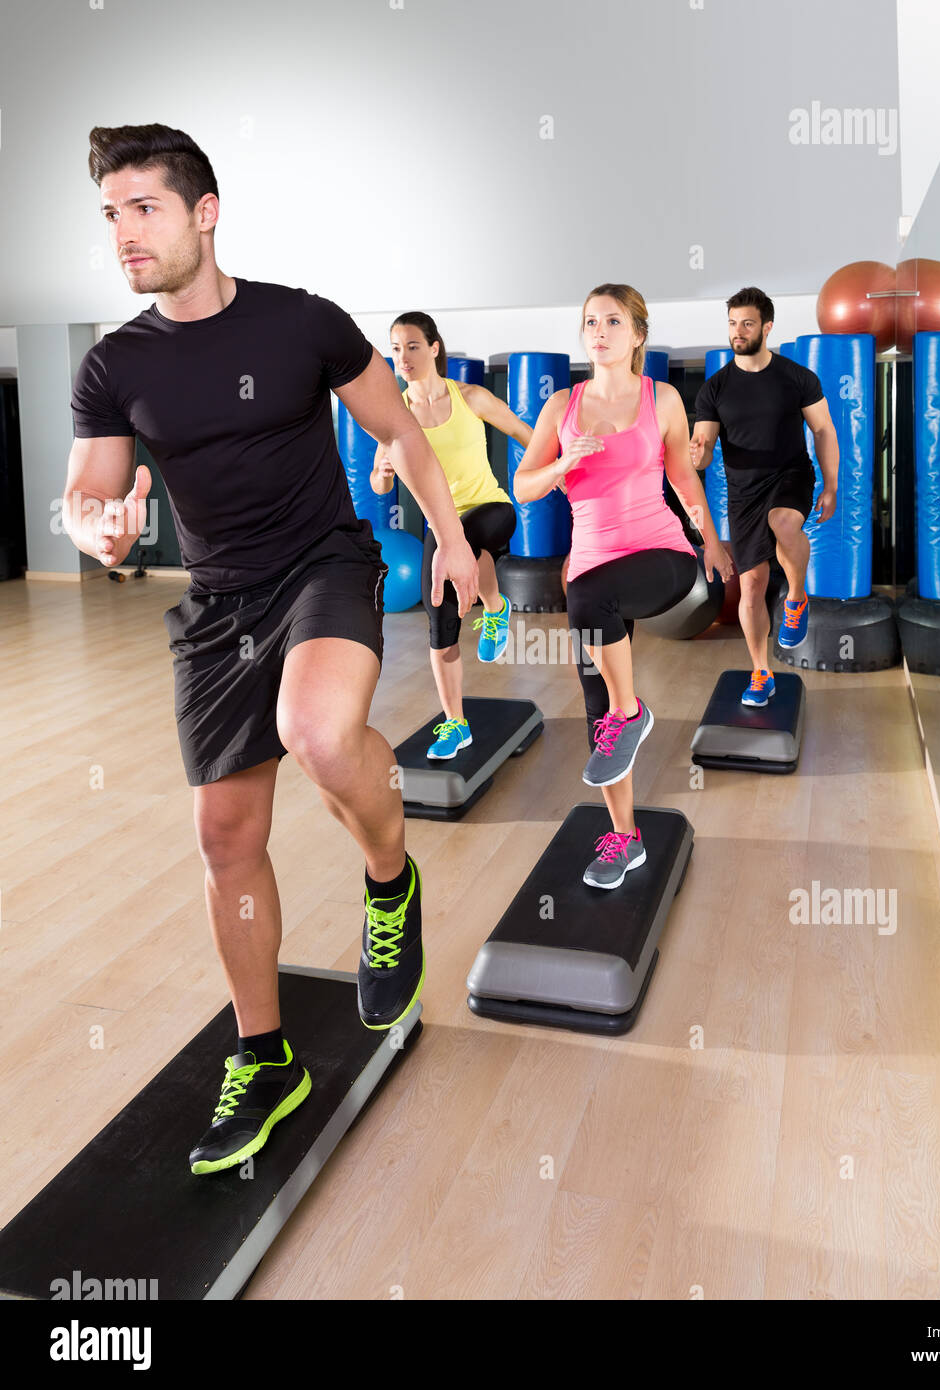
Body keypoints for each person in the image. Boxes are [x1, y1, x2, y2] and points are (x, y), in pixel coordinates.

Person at [62, 123, 479, 1175]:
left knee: (318, 732)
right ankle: (266, 1053)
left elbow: (401, 435)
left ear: (205, 212)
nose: (124, 234)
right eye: (112, 214)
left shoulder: (303, 323)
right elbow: (92, 496)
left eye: (144, 208)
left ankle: (390, 882)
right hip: (218, 606)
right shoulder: (115, 364)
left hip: (323, 566)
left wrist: (454, 541)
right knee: (224, 836)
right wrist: (96, 532)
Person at [514, 283, 733, 888]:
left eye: (612, 321)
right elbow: (523, 485)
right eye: (590, 322)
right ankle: (623, 835)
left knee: (587, 601)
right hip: (593, 562)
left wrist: (710, 539)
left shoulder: (662, 399)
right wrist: (562, 463)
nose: (599, 331)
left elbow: (684, 478)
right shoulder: (561, 406)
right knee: (597, 714)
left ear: (638, 334)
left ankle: (631, 710)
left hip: (660, 553)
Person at [371, 313, 531, 757]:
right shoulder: (395, 417)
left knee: (470, 535)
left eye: (413, 346)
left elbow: (523, 432)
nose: (403, 357)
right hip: (441, 532)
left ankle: (496, 607)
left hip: (491, 510)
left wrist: (553, 470)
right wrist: (383, 472)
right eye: (396, 348)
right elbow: (378, 486)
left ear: (435, 348)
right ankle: (456, 724)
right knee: (440, 629)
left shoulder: (471, 397)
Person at [689, 288, 838, 706]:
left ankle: (795, 598)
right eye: (733, 323)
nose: (738, 332)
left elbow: (824, 431)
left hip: (791, 474)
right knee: (751, 586)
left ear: (767, 327)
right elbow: (701, 450)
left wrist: (830, 484)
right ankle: (761, 673)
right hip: (744, 492)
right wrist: (697, 452)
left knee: (785, 521)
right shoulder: (714, 388)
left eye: (747, 323)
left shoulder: (797, 378)